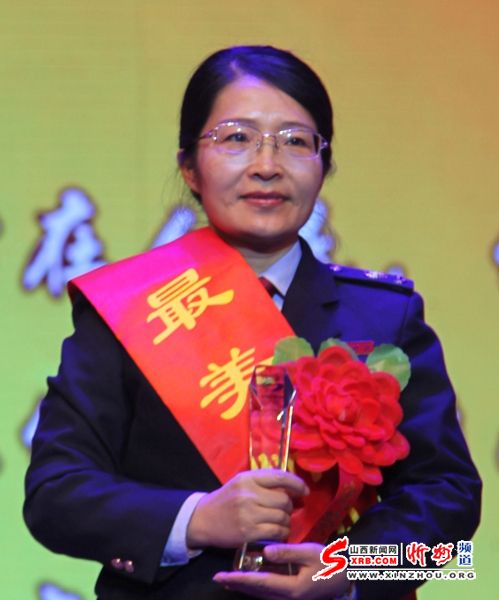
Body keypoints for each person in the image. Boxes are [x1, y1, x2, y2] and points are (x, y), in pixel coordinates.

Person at [24, 46, 481, 600]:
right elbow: (55, 495)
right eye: (236, 138)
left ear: (325, 165)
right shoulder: (125, 311)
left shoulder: (386, 316)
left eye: (295, 141)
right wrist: (196, 519)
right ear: (189, 166)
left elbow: (450, 507)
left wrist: (351, 569)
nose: (267, 165)